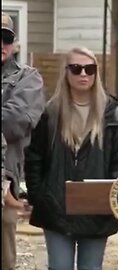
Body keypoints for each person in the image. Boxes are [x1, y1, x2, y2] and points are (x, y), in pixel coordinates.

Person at [24, 47, 118, 270]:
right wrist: (39, 195)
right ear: (66, 73)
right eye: (76, 68)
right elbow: (34, 157)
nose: (83, 74)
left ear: (96, 73)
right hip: (56, 207)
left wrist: (111, 200)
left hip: (98, 209)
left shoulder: (112, 113)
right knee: (60, 267)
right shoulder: (50, 113)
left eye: (90, 69)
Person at [1, 13, 45, 270]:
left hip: (6, 179)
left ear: (14, 43)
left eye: (5, 38)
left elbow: (17, 121)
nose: (1, 44)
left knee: (4, 257)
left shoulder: (29, 78)